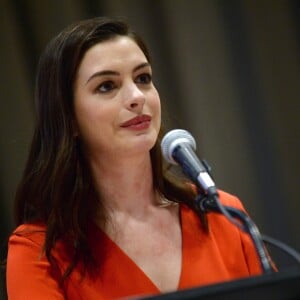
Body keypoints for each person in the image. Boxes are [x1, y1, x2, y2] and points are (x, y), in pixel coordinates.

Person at [6, 16, 265, 299]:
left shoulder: (224, 215)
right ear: (69, 119)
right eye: (107, 86)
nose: (135, 97)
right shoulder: (39, 251)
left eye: (143, 79)